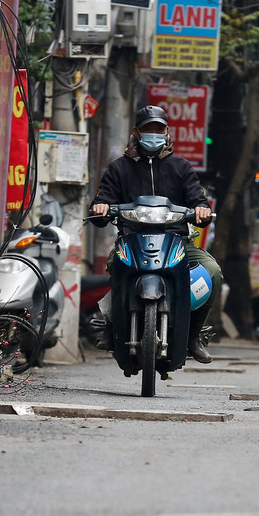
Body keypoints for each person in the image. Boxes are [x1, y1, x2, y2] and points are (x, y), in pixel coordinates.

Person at [89, 105, 223, 363]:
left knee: (213, 272)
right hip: (130, 240)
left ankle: (193, 335)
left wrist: (201, 210)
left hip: (177, 241)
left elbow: (198, 200)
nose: (153, 134)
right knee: (115, 265)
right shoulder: (118, 169)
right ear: (136, 132)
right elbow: (102, 202)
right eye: (148, 129)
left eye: (158, 129)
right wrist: (101, 207)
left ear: (166, 132)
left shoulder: (181, 167)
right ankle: (112, 325)